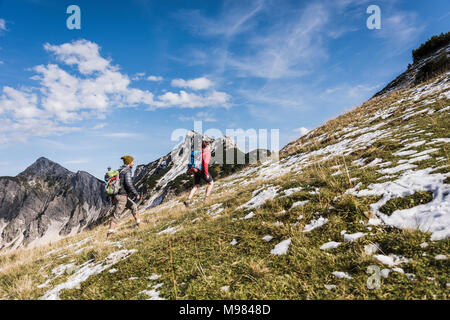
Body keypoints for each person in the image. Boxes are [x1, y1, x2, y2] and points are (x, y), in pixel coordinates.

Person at [107, 155, 141, 238]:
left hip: (118, 195)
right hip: (122, 196)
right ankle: (110, 234)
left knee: (133, 206)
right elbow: (129, 184)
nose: (133, 163)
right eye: (132, 162)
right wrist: (136, 193)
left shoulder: (120, 170)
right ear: (129, 162)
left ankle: (139, 223)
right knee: (116, 214)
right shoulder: (127, 171)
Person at [184, 140, 214, 207]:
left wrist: (190, 169)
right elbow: (205, 164)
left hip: (195, 170)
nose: (210, 147)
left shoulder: (196, 152)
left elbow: (191, 161)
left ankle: (188, 200)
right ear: (206, 146)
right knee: (211, 183)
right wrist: (206, 173)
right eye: (209, 145)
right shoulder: (206, 152)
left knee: (196, 186)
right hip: (202, 170)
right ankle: (206, 200)